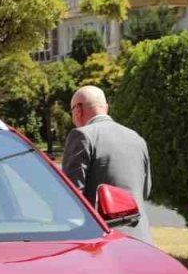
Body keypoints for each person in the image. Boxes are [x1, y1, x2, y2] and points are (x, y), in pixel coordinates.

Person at [62, 85, 152, 243]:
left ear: (78, 110)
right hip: (141, 238)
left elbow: (72, 196)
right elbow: (145, 190)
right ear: (106, 108)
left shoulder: (82, 136)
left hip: (101, 240)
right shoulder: (136, 138)